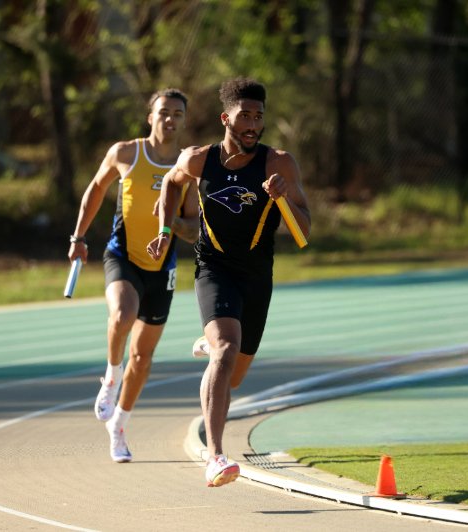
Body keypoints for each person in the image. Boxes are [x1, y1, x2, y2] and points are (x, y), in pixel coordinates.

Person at [147, 77, 311, 487]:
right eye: (245, 116)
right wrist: (166, 232)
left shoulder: (279, 164)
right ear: (226, 118)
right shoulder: (199, 159)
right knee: (225, 351)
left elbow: (305, 233)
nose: (253, 124)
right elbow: (170, 183)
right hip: (213, 268)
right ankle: (216, 457)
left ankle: (214, 340)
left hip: (257, 276)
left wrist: (284, 197)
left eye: (259, 116)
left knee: (234, 375)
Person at [68, 88, 198, 463]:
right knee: (122, 315)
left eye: (177, 113)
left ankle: (119, 427)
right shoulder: (126, 152)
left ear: (185, 120)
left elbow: (192, 229)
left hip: (162, 269)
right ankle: (110, 376)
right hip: (122, 256)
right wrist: (78, 237)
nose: (170, 119)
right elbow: (95, 189)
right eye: (163, 113)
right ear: (150, 117)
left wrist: (168, 218)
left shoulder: (188, 167)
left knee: (143, 357)